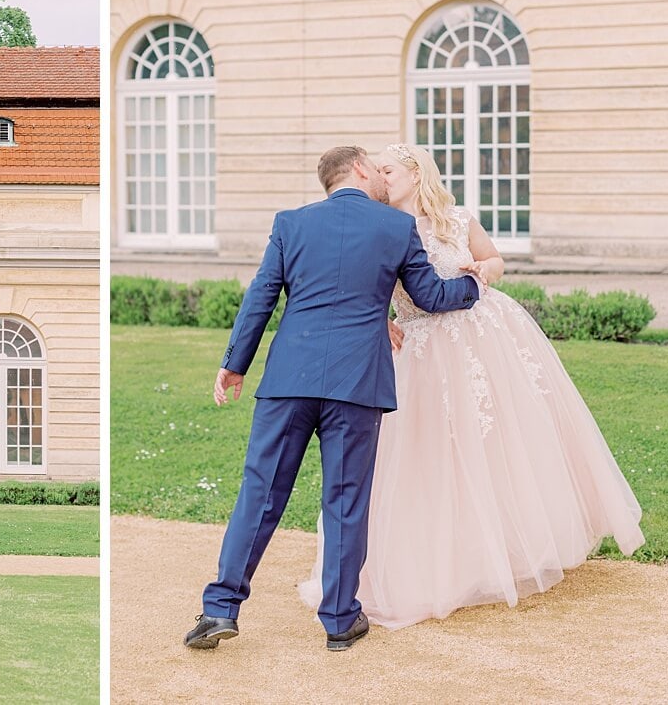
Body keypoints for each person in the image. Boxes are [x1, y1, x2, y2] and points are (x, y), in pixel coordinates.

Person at [297, 143, 645, 630]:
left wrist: (486, 270)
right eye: (375, 171)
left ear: (416, 173)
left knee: (495, 444)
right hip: (418, 348)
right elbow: (357, 284)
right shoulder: (379, 228)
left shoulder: (456, 220)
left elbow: (495, 259)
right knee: (427, 454)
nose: (380, 178)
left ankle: (500, 551)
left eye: (389, 169)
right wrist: (379, 319)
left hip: (481, 339)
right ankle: (435, 564)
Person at [183, 146, 482, 652]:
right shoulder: (394, 228)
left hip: (288, 380)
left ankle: (219, 610)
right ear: (360, 170)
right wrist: (472, 286)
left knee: (260, 494)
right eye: (377, 167)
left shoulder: (291, 223)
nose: (385, 178)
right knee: (346, 500)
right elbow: (431, 296)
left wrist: (234, 364)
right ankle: (341, 621)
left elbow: (261, 296)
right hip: (357, 384)